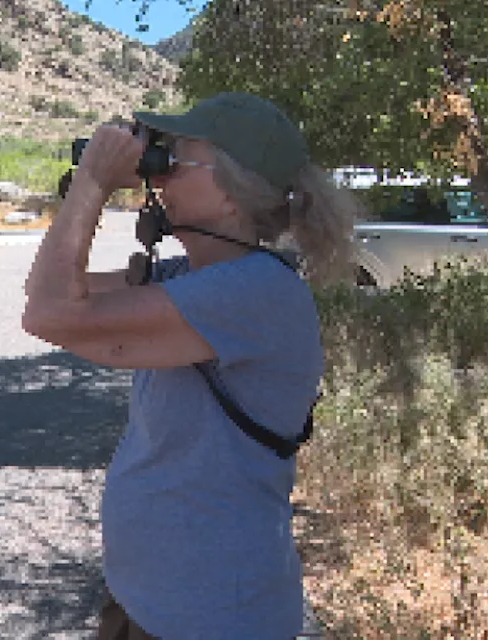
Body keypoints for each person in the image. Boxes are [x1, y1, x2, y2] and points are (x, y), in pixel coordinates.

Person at [22, 92, 357, 639]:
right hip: (149, 601)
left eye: (175, 160)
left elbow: (49, 312)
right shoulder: (186, 278)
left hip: (212, 616)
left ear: (232, 192)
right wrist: (95, 187)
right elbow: (52, 293)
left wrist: (93, 184)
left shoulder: (257, 293)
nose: (159, 174)